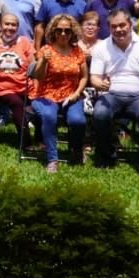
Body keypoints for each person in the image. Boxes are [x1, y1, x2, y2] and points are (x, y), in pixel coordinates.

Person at [89, 9, 139, 175]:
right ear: (109, 27)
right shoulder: (101, 47)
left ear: (130, 25)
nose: (118, 29)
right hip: (110, 95)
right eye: (114, 26)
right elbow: (94, 78)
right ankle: (107, 155)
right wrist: (100, 84)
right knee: (100, 113)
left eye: (122, 25)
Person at [30, 14, 89, 172]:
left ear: (72, 32)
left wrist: (77, 93)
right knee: (49, 117)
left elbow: (84, 77)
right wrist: (43, 61)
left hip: (71, 96)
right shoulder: (46, 50)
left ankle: (76, 151)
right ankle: (52, 159)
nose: (63, 34)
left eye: (67, 31)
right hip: (46, 95)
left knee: (78, 121)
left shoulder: (78, 51)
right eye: (59, 30)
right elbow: (38, 76)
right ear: (53, 31)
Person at [0, 13, 35, 149]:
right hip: (1, 87)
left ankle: (41, 140)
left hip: (25, 85)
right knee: (16, 103)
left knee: (41, 104)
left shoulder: (24, 42)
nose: (10, 27)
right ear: (0, 26)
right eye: (6, 24)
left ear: (18, 27)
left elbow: (34, 65)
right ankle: (26, 142)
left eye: (13, 25)